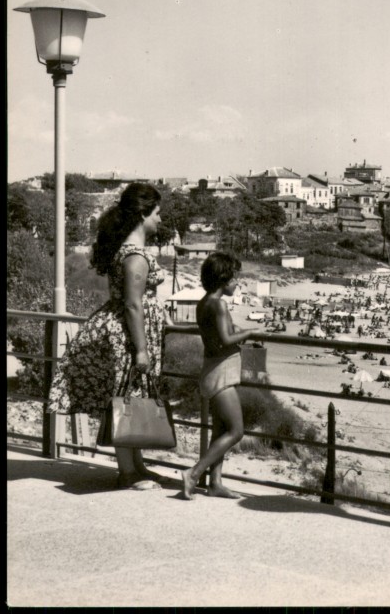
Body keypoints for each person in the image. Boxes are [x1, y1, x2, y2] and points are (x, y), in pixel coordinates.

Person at [47, 183, 169, 490]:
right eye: (157, 213)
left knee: (132, 397)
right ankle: (127, 472)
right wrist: (141, 350)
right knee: (126, 396)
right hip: (130, 335)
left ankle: (137, 466)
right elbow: (132, 304)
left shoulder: (125, 251)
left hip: (127, 330)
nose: (160, 220)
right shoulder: (136, 257)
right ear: (142, 215)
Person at [181, 253, 258, 500]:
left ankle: (215, 483)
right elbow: (226, 340)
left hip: (212, 370)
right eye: (235, 278)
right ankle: (194, 473)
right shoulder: (219, 304)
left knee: (220, 430)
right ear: (223, 279)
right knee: (236, 431)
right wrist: (250, 332)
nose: (238, 283)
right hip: (221, 374)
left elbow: (216, 337)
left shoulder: (204, 303)